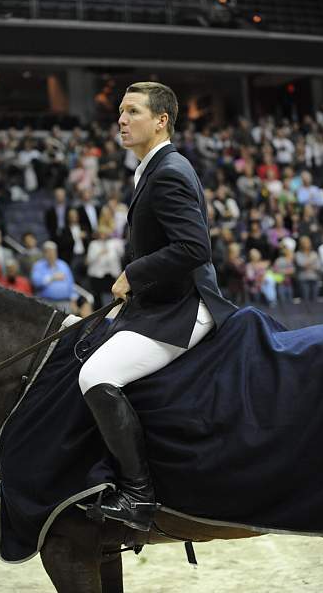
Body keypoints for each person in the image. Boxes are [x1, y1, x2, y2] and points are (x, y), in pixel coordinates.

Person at [78, 81, 236, 532]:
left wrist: (134, 274)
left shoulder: (167, 170)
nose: (121, 120)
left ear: (161, 119)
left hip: (186, 306)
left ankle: (139, 496)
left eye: (132, 112)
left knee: (95, 375)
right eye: (120, 113)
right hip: (162, 301)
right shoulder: (152, 166)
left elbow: (195, 247)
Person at [31, 241, 77, 313]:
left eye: (53, 252)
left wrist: (73, 301)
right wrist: (52, 278)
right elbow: (36, 283)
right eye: (49, 252)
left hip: (65, 302)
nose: (51, 254)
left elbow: (71, 284)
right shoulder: (38, 265)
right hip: (46, 302)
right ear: (44, 253)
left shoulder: (63, 265)